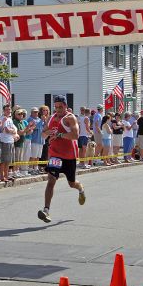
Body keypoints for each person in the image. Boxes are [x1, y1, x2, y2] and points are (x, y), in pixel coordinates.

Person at [37, 95, 85, 223]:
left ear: (65, 106)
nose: (58, 109)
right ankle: (46, 210)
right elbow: (43, 133)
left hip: (69, 156)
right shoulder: (52, 117)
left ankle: (80, 188)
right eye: (56, 107)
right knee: (51, 179)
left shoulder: (70, 118)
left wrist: (59, 134)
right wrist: (48, 134)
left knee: (71, 184)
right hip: (55, 154)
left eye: (60, 107)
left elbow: (75, 135)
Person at [0, 104, 19, 182]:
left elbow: (14, 130)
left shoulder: (9, 119)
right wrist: (11, 131)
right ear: (4, 110)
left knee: (8, 160)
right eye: (7, 109)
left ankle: (6, 175)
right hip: (4, 141)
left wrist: (11, 131)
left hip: (10, 140)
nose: (8, 111)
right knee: (3, 160)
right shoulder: (2, 119)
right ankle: (2, 176)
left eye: (9, 109)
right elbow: (6, 130)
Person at [28, 107, 45, 175]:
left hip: (40, 140)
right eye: (34, 112)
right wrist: (42, 121)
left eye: (37, 112)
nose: (36, 113)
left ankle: (36, 168)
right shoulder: (30, 119)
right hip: (34, 140)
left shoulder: (39, 119)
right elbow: (35, 127)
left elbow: (44, 127)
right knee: (33, 156)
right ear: (31, 112)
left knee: (38, 156)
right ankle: (30, 168)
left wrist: (44, 121)